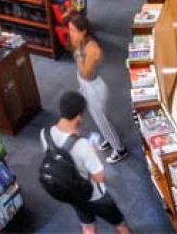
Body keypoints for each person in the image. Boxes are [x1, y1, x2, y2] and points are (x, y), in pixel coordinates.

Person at [40, 91, 131, 234]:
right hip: (95, 195)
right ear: (78, 117)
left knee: (87, 226)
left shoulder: (45, 134)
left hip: (72, 193)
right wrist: (93, 152)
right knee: (120, 224)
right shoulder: (83, 145)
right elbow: (100, 177)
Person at [68, 12, 127, 163]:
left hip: (94, 87)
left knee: (102, 119)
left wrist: (79, 56)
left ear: (83, 31)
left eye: (73, 30)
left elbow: (86, 74)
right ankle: (108, 138)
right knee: (97, 117)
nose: (71, 34)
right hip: (87, 86)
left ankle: (119, 149)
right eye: (70, 30)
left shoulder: (91, 48)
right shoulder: (82, 43)